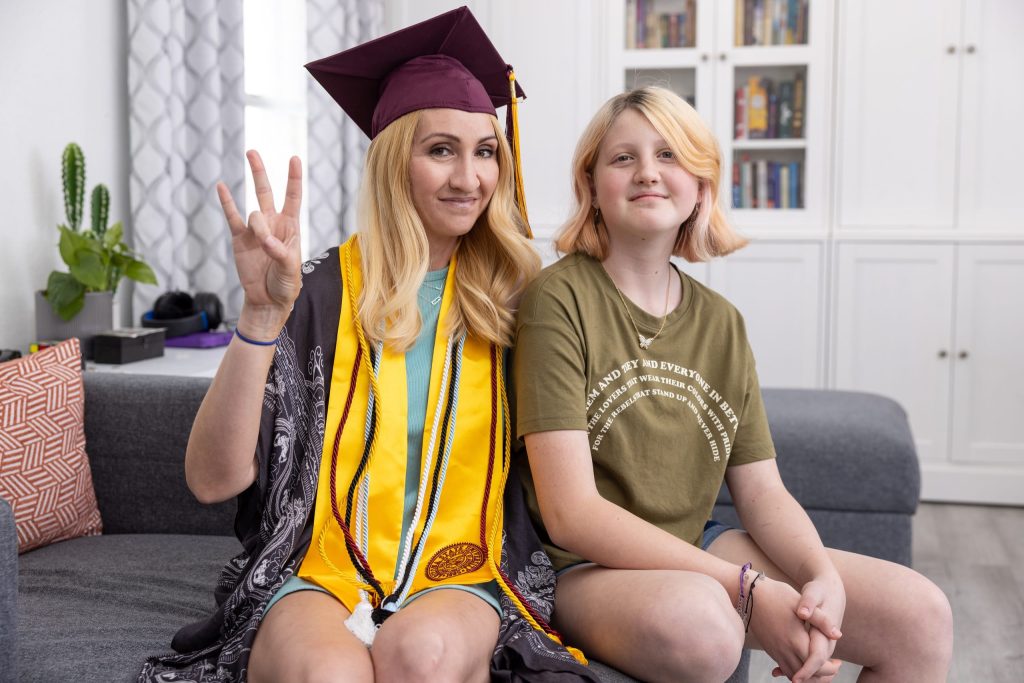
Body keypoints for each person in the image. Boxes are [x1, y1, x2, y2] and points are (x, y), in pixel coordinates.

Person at [141, 8, 595, 682]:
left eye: (485, 150)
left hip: (461, 566)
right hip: (321, 565)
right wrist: (261, 314)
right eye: (440, 149)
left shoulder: (519, 300)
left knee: (422, 657)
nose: (470, 177)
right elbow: (212, 479)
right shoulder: (318, 291)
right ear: (392, 160)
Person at [513, 86, 954, 683]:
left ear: (701, 185)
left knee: (919, 615)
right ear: (590, 185)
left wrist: (817, 575)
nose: (648, 172)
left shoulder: (721, 322)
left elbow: (763, 493)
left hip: (696, 543)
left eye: (670, 155)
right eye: (623, 158)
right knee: (705, 627)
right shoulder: (557, 299)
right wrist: (748, 591)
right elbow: (571, 514)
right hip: (581, 567)